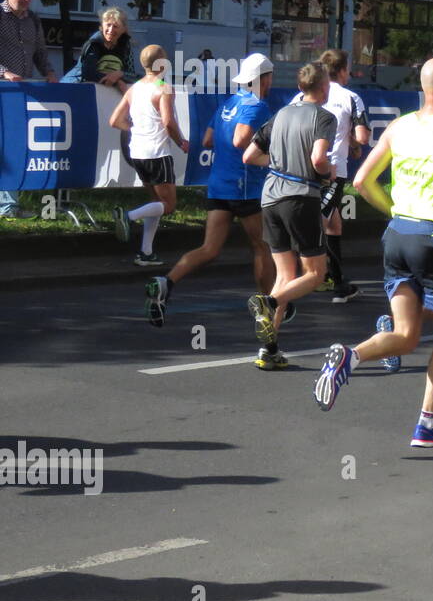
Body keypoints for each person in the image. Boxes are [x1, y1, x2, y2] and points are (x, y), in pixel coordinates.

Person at [314, 58, 433, 447]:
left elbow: (361, 180)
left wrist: (394, 210)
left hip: (398, 234)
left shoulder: (398, 125)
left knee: (407, 336)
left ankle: (350, 356)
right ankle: (428, 424)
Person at [144, 53, 275, 334]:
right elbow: (241, 139)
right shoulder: (258, 105)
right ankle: (268, 306)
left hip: (218, 185)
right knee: (262, 246)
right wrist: (267, 154)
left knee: (209, 249)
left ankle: (166, 282)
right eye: (269, 78)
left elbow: (207, 140)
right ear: (265, 79)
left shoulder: (229, 102)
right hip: (245, 187)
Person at [242, 62, 337, 366]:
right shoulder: (324, 117)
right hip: (300, 199)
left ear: (300, 87)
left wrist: (281, 162)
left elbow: (250, 155)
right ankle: (267, 303)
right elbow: (319, 158)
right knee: (315, 274)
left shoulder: (281, 113)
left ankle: (269, 351)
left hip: (269, 198)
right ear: (324, 87)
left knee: (285, 275)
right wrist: (329, 173)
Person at [108, 45, 191, 266]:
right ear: (162, 63)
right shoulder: (163, 87)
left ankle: (145, 252)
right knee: (169, 205)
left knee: (156, 202)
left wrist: (136, 128)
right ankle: (128, 216)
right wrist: (181, 141)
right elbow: (168, 122)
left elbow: (114, 120)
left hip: (137, 152)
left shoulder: (134, 89)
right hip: (157, 152)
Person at [301, 48, 370, 303]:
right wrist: (352, 142)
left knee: (333, 221)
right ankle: (314, 276)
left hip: (303, 167)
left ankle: (337, 279)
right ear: (341, 70)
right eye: (348, 68)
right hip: (332, 170)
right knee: (320, 218)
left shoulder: (303, 94)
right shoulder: (350, 97)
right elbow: (363, 136)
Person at [0, 0, 56, 218]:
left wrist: (50, 72)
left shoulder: (33, 19)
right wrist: (4, 72)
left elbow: (40, 52)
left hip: (22, 95)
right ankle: (7, 205)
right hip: (3, 91)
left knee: (14, 147)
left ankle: (9, 205)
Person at [62, 7, 136, 94]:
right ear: (101, 27)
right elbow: (89, 73)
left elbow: (133, 76)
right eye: (108, 25)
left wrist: (120, 74)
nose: (111, 30)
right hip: (72, 85)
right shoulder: (94, 43)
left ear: (123, 29)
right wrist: (117, 81)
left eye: (115, 26)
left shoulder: (125, 45)